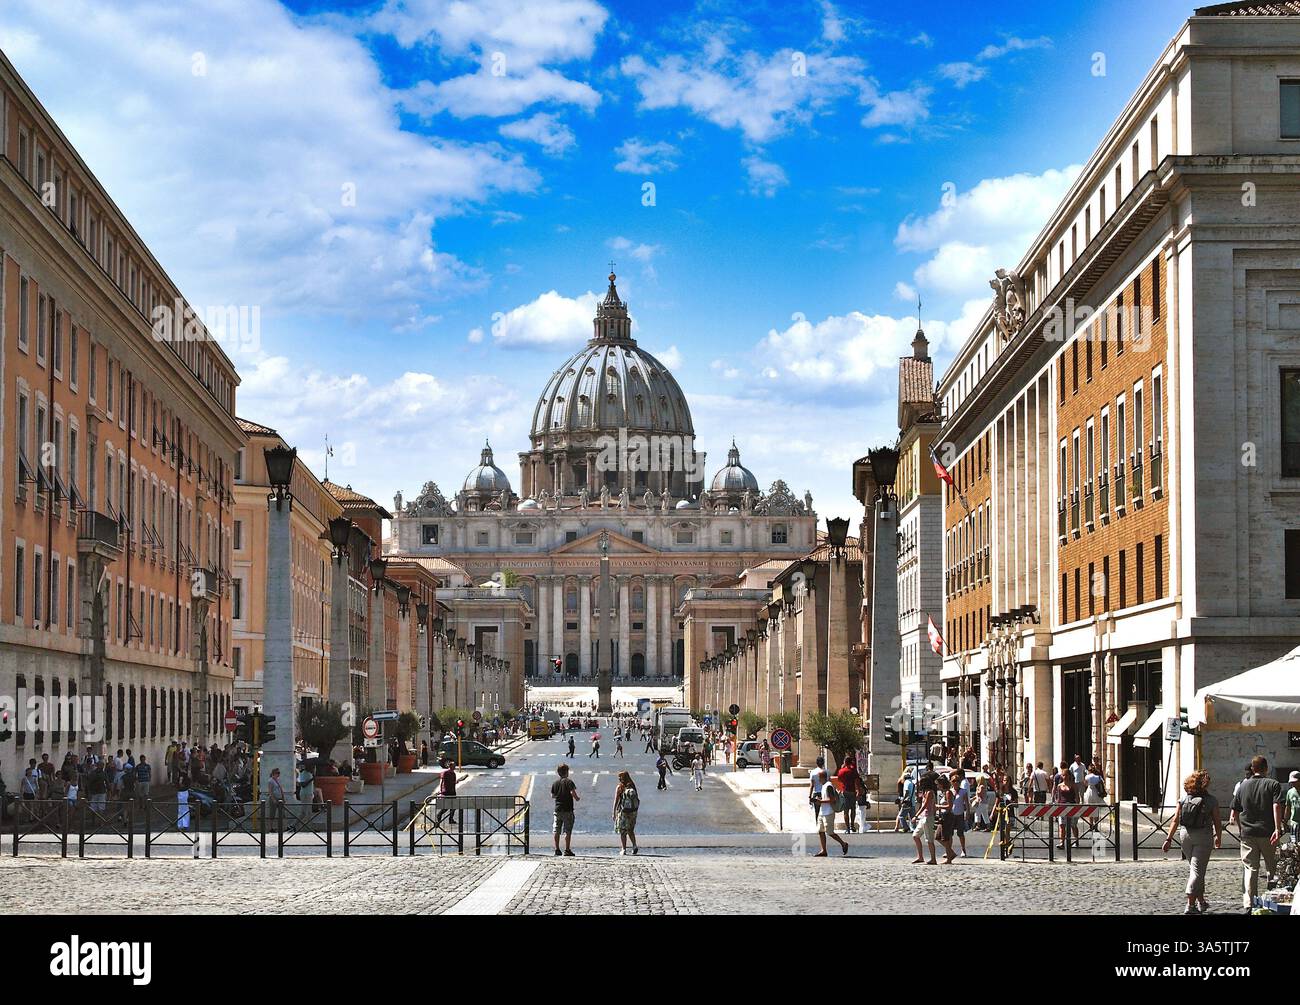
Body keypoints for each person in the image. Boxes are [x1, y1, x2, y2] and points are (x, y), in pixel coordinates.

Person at [1230, 755, 1286, 911]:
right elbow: (1277, 806)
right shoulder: (1273, 784)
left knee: (1250, 869)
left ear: (1252, 769)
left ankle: (1249, 904)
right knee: (1273, 868)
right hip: (1268, 832)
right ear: (1266, 768)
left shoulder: (1242, 786)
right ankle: (1272, 900)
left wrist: (1242, 829)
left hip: (1248, 833)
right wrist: (1277, 828)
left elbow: (1235, 811)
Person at [1163, 771, 1222, 915]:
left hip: (1185, 836)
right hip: (1203, 836)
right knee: (1197, 871)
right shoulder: (1211, 800)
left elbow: (1175, 820)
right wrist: (1218, 836)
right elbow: (1217, 821)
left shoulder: (1183, 799)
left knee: (1196, 869)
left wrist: (1168, 839)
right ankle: (1190, 904)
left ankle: (1201, 902)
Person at [814, 771, 849, 857]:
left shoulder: (829, 786)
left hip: (828, 812)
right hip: (822, 811)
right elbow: (826, 798)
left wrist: (820, 801)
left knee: (829, 832)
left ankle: (843, 844)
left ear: (822, 777)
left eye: (819, 777)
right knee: (820, 831)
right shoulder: (824, 786)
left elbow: (833, 800)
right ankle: (823, 850)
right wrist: (819, 799)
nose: (818, 779)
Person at [551, 764, 579, 857]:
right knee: (568, 830)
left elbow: (553, 796)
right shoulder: (569, 782)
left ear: (558, 773)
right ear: (567, 772)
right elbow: (572, 792)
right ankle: (567, 849)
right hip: (567, 809)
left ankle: (557, 849)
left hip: (557, 809)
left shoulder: (555, 783)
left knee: (556, 829)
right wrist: (577, 798)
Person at [912, 770, 938, 865]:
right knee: (915, 836)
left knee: (929, 839)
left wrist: (916, 815)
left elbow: (925, 805)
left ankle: (933, 859)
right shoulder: (925, 792)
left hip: (928, 817)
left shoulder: (930, 792)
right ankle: (920, 857)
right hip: (923, 817)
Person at [612, 770, 640, 855]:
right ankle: (634, 846)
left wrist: (614, 812)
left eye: (620, 777)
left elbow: (616, 800)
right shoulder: (632, 786)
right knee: (630, 830)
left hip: (623, 811)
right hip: (633, 812)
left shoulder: (620, 787)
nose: (619, 779)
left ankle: (623, 849)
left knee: (623, 831)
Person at [837, 756, 863, 834]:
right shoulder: (853, 771)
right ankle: (852, 825)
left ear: (845, 762)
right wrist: (858, 791)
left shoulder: (842, 771)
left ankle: (848, 828)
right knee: (853, 809)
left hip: (845, 792)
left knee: (846, 811)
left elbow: (839, 780)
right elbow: (857, 781)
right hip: (852, 792)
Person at [808, 757, 828, 825]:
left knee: (817, 811)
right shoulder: (826, 772)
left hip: (816, 793)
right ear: (823, 763)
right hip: (825, 793)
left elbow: (812, 785)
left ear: (816, 763)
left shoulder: (813, 772)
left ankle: (818, 824)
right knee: (825, 809)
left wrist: (809, 796)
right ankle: (824, 824)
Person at [1287, 771, 1300, 842]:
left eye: (1295, 782)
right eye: (1292, 782)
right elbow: (1288, 807)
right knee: (1294, 842)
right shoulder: (1290, 792)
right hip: (1294, 824)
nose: (1293, 784)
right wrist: (1285, 821)